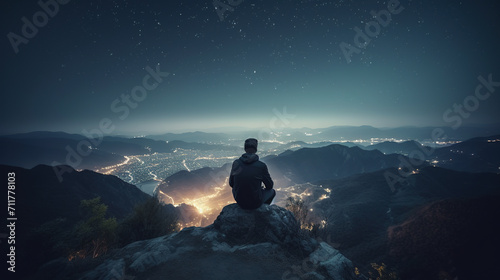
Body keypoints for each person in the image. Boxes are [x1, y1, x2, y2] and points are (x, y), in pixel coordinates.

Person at [229, 138, 276, 209]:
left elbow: (231, 183)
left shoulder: (236, 163)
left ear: (245, 148)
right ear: (256, 148)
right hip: (255, 202)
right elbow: (269, 186)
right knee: (272, 192)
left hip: (240, 201)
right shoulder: (261, 166)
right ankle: (262, 209)